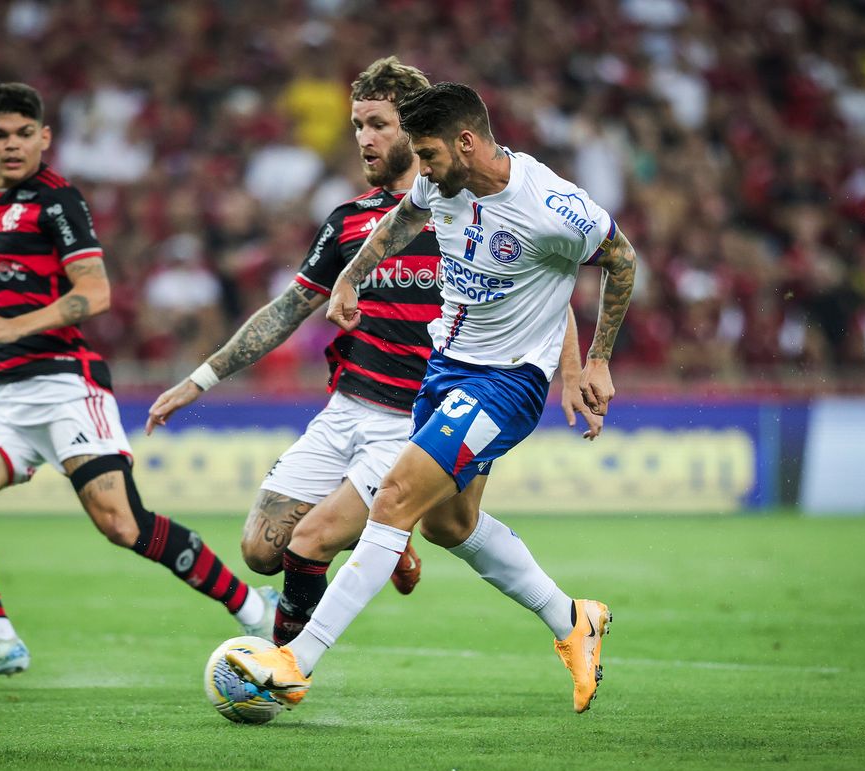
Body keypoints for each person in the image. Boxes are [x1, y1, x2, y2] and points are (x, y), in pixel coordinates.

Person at [147, 59, 601, 647]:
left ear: (414, 130)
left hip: (417, 419)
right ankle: (394, 540)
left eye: (379, 124)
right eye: (358, 123)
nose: (364, 137)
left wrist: (572, 368)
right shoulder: (348, 223)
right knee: (262, 550)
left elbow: (542, 287)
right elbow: (288, 309)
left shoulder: (465, 210)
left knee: (315, 541)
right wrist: (198, 381)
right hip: (347, 405)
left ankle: (283, 668)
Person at [227, 82, 637, 714]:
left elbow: (622, 259)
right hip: (445, 369)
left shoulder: (554, 206)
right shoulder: (439, 182)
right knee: (451, 524)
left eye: (429, 153)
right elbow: (403, 219)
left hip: (506, 383)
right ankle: (574, 618)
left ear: (466, 142)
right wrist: (352, 276)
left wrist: (597, 359)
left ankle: (295, 660)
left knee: (393, 499)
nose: (422, 169)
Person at [0, 82, 276, 688]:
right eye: (0, 135)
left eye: (24, 134)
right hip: (10, 395)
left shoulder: (59, 200)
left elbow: (95, 294)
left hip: (66, 385)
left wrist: (12, 325)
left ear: (44, 138)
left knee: (122, 525)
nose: (12, 145)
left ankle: (252, 608)